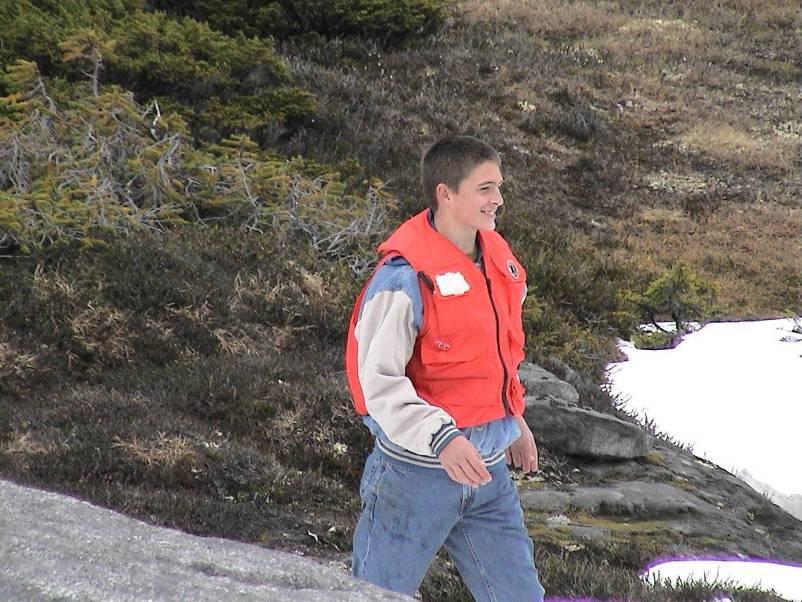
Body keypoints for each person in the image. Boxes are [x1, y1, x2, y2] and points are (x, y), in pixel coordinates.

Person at [344, 135, 545, 601]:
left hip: (489, 476)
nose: (498, 199)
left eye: (498, 187)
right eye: (485, 188)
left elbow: (495, 358)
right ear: (445, 193)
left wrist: (513, 420)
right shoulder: (402, 278)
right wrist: (442, 437)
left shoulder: (499, 260)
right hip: (414, 477)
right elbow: (378, 384)